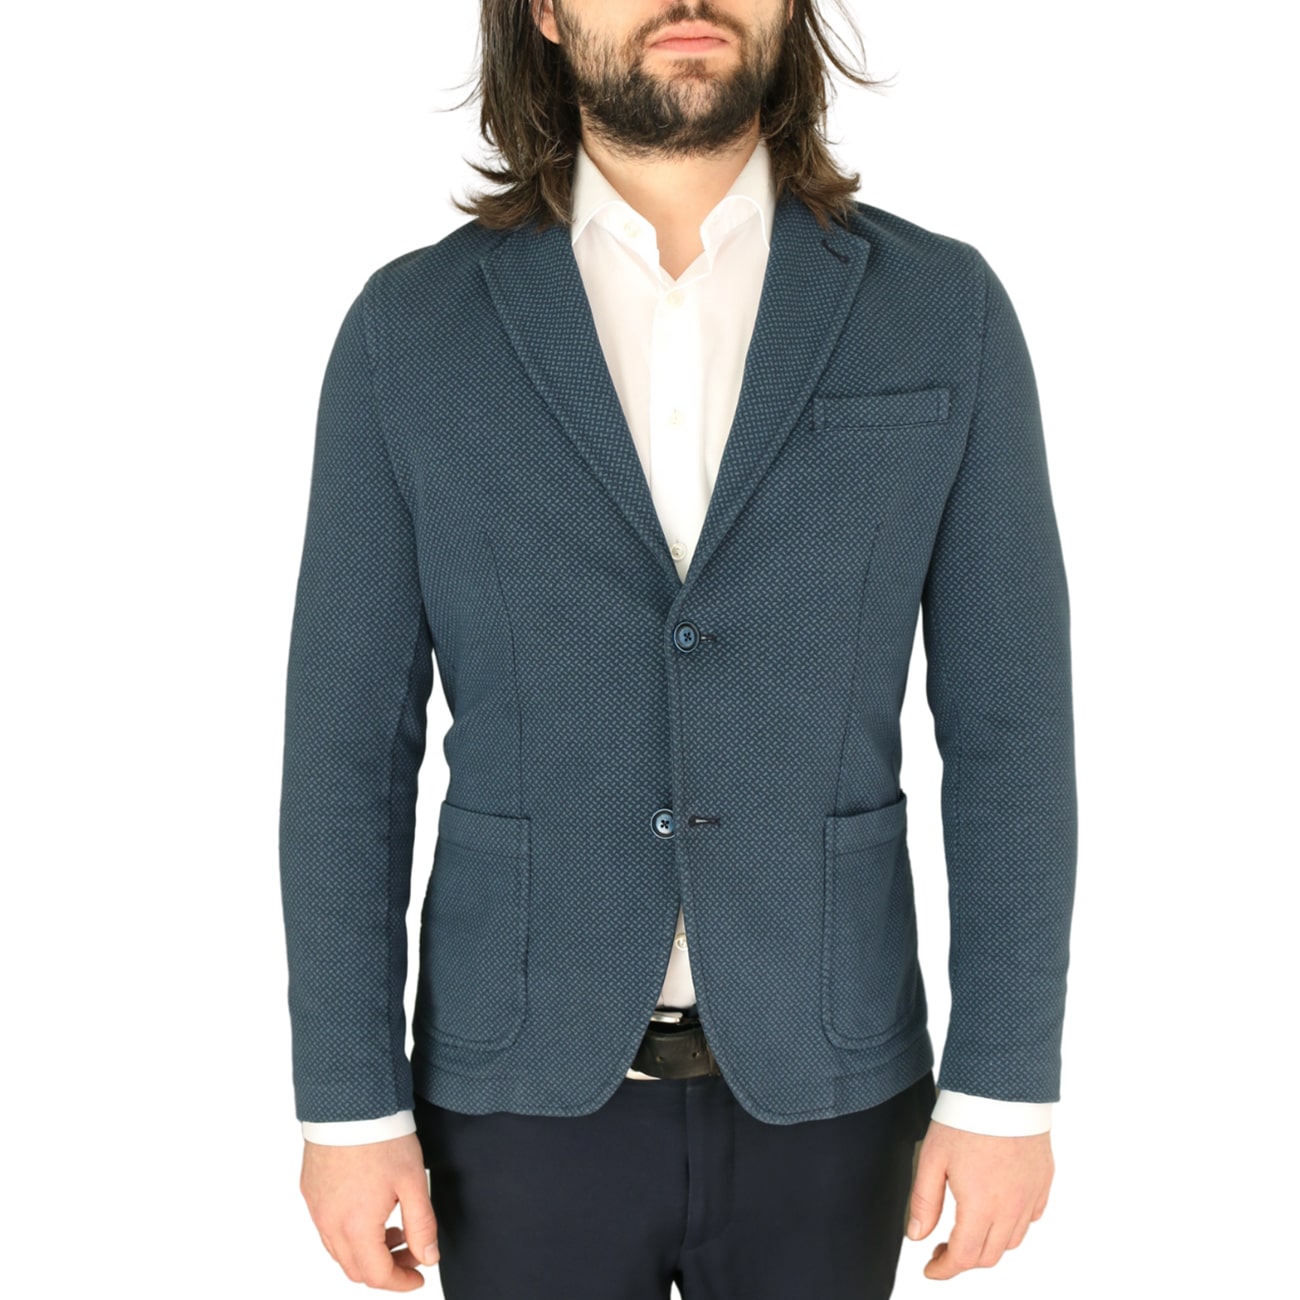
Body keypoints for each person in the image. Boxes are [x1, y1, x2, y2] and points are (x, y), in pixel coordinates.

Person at [277, 2, 1078, 1295]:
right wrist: (348, 1109)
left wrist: (1004, 1089)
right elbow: (345, 753)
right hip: (513, 1094)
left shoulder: (941, 308)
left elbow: (1011, 729)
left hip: (833, 1079)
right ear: (545, 12)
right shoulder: (410, 329)